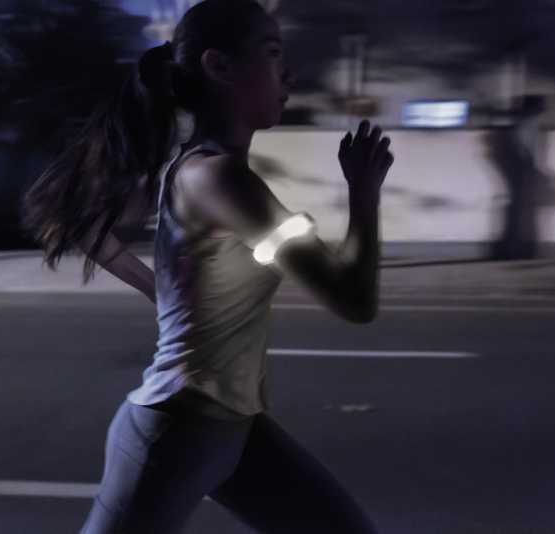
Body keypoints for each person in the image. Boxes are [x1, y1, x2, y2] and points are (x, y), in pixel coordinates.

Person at [23, 1, 393, 532]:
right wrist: (363, 192)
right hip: (175, 432)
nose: (288, 73)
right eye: (272, 53)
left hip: (234, 427)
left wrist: (163, 293)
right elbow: (354, 299)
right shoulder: (218, 179)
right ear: (220, 66)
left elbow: (88, 229)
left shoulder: (198, 171)